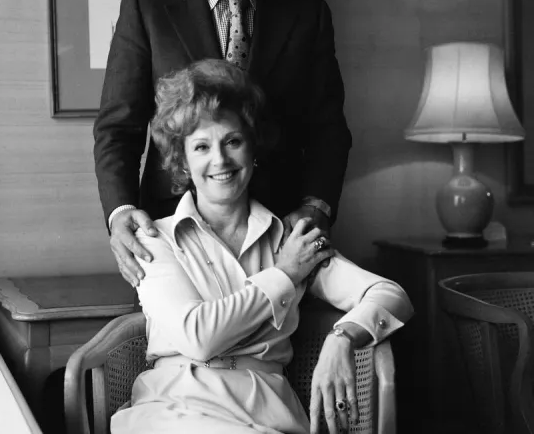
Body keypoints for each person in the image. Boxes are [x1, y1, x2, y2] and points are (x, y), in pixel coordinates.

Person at [111, 59, 413, 434]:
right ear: (183, 162)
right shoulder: (156, 239)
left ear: (254, 149)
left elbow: (390, 294)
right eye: (201, 146)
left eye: (232, 141)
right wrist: (285, 275)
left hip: (264, 414)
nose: (219, 160)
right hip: (173, 409)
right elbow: (198, 337)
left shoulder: (291, 240)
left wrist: (343, 338)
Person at [93, 0, 352, 287]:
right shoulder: (147, 8)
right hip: (171, 235)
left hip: (276, 237)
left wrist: (316, 207)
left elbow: (329, 131)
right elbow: (117, 128)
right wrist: (119, 213)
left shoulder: (309, 16)